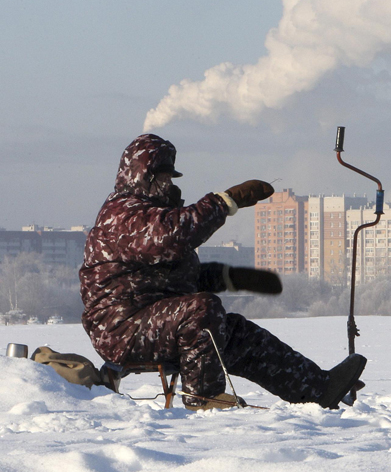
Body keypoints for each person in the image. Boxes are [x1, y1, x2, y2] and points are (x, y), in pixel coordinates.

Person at [79, 133, 365, 410]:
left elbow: (169, 276)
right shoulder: (123, 214)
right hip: (120, 328)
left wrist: (228, 277)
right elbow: (175, 235)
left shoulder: (150, 214)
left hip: (150, 319)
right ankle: (204, 399)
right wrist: (225, 201)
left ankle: (319, 388)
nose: (169, 185)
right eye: (165, 178)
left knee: (236, 332)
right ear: (145, 176)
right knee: (202, 311)